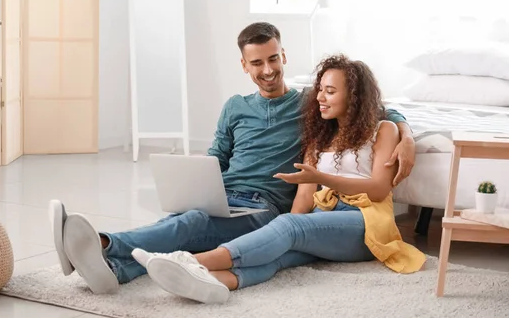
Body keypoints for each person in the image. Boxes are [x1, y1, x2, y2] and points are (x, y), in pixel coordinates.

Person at [49, 23, 416, 295]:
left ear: (284, 56)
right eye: (257, 62)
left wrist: (407, 136)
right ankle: (115, 271)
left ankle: (103, 244)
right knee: (182, 219)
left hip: (264, 205)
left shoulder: (310, 104)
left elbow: (372, 107)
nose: (268, 69)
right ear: (244, 65)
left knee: (191, 226)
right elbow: (214, 159)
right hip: (226, 196)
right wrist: (198, 187)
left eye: (274, 58)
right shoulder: (236, 108)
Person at [135, 54, 427, 304]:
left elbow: (378, 190)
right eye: (320, 90)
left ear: (354, 96)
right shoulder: (318, 137)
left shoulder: (384, 130)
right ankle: (215, 283)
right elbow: (302, 200)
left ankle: (189, 262)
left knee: (289, 226)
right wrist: (280, 233)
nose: (320, 98)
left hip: (365, 222)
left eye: (329, 91)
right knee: (279, 254)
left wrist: (317, 185)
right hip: (323, 221)